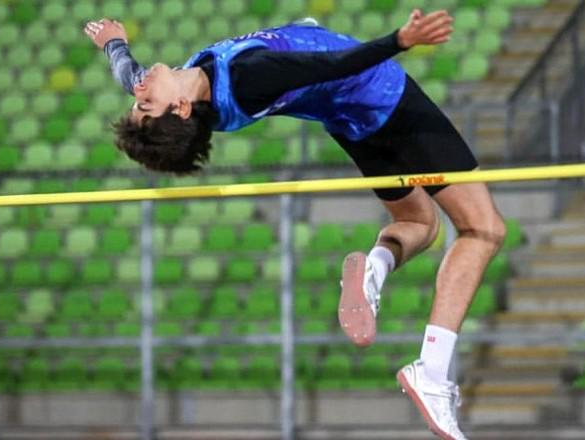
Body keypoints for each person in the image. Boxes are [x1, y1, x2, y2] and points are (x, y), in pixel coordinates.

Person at [85, 11, 504, 440]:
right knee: (483, 229)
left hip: (351, 119)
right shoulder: (249, 77)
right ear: (180, 107)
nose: (138, 89)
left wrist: (113, 44)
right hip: (384, 99)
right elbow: (336, 65)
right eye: (143, 102)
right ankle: (432, 374)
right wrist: (401, 39)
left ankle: (374, 272)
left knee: (418, 222)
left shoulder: (186, 91)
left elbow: (128, 73)